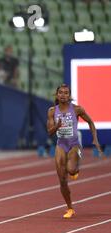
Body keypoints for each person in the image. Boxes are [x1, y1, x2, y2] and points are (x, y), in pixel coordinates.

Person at [46, 84, 103, 219]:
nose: (63, 95)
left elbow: (90, 122)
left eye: (66, 93)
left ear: (69, 96)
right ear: (57, 95)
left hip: (73, 144)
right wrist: (57, 126)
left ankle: (74, 170)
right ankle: (70, 208)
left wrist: (95, 139)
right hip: (61, 145)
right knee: (62, 180)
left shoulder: (77, 109)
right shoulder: (52, 111)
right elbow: (49, 132)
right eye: (61, 92)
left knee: (71, 170)